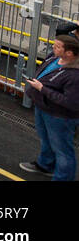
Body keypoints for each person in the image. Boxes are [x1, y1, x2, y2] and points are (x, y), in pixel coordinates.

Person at [21, 34, 79, 180]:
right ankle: (45, 165)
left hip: (59, 116)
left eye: (57, 46)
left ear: (69, 53)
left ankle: (63, 178)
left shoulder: (75, 76)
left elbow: (71, 102)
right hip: (43, 107)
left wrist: (42, 89)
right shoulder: (54, 57)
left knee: (63, 150)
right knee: (45, 139)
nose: (53, 48)